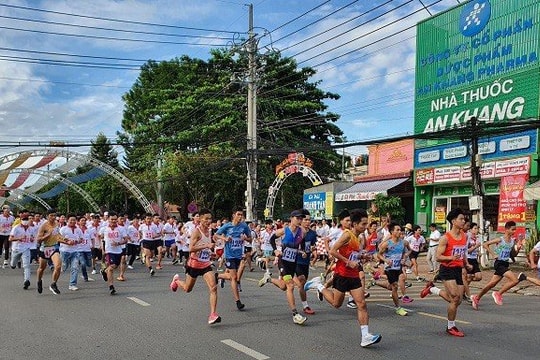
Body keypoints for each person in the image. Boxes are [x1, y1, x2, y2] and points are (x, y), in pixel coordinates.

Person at [304, 209, 382, 347]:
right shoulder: (347, 235)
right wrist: (347, 262)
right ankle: (318, 285)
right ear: (355, 224)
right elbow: (333, 250)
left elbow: (353, 253)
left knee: (362, 304)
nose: (366, 227)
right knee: (336, 304)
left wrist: (363, 256)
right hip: (342, 274)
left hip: (353, 275)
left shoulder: (359, 237)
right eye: (363, 224)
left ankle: (365, 336)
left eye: (366, 224)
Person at [420, 208, 471, 337]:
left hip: (458, 270)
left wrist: (466, 264)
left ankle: (432, 290)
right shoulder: (445, 238)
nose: (463, 221)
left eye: (463, 219)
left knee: (457, 300)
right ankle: (451, 326)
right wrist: (450, 258)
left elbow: (463, 253)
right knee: (454, 298)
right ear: (453, 221)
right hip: (447, 269)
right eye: (461, 219)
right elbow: (438, 257)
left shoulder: (464, 236)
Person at [169, 208, 221, 325]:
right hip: (194, 264)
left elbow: (205, 248)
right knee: (188, 289)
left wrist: (210, 253)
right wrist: (206, 245)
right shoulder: (196, 232)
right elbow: (191, 248)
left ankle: (212, 314)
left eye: (210, 218)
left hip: (206, 264)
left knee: (213, 287)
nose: (209, 221)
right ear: (200, 219)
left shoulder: (210, 231)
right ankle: (177, 281)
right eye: (206, 219)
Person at [258, 209, 308, 325]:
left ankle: (268, 279)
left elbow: (302, 242)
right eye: (297, 218)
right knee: (290, 285)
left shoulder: (302, 232)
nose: (300, 220)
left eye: (301, 218)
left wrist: (302, 251)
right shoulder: (284, 231)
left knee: (283, 287)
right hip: (283, 262)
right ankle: (295, 314)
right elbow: (272, 239)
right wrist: (275, 250)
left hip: (293, 263)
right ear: (291, 218)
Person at [471, 221, 522, 309]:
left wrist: (517, 249)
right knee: (515, 280)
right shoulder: (500, 239)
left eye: (515, 229)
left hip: (505, 264)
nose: (514, 231)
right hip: (499, 263)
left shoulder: (512, 241)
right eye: (512, 229)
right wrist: (493, 254)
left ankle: (477, 297)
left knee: (491, 284)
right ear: (506, 229)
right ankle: (498, 293)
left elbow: (512, 255)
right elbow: (485, 244)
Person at [372, 222, 412, 316]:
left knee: (397, 282)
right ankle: (398, 308)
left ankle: (375, 282)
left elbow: (409, 250)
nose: (400, 232)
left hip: (399, 267)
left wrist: (405, 256)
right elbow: (379, 254)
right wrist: (386, 260)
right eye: (397, 230)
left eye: (400, 230)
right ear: (392, 232)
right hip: (390, 268)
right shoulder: (387, 244)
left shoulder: (404, 242)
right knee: (394, 286)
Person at [215, 207, 251, 310]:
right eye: (238, 214)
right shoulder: (227, 226)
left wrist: (246, 238)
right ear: (233, 215)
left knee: (232, 276)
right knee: (234, 277)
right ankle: (238, 301)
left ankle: (218, 276)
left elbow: (250, 238)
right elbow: (216, 235)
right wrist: (225, 238)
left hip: (239, 255)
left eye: (241, 215)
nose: (240, 217)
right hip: (229, 255)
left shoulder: (244, 226)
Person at [99, 211, 129, 295]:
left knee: (115, 266)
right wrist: (102, 247)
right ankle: (111, 287)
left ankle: (104, 271)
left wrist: (118, 243)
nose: (113, 221)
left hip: (118, 251)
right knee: (111, 268)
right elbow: (100, 237)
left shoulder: (121, 228)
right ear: (108, 219)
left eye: (115, 219)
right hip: (109, 251)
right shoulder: (104, 229)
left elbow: (126, 239)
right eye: (112, 219)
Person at [36, 209, 64, 295]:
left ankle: (53, 284)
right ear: (47, 216)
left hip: (54, 247)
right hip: (44, 248)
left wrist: (64, 239)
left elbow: (57, 234)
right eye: (51, 215)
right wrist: (47, 235)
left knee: (58, 266)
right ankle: (39, 281)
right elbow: (38, 240)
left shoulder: (56, 224)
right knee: (42, 268)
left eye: (54, 215)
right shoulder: (43, 226)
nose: (53, 217)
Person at [9, 215, 37, 289]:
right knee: (13, 263)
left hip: (26, 248)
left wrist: (32, 239)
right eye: (24, 219)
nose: (25, 221)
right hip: (16, 248)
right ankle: (13, 264)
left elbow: (33, 237)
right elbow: (10, 239)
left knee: (26, 265)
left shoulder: (31, 229)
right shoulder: (16, 228)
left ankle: (26, 281)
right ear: (20, 220)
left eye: (26, 219)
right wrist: (19, 238)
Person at [463, 222, 482, 302]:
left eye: (477, 228)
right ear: (470, 229)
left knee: (478, 277)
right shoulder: (467, 237)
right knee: (468, 277)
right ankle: (466, 293)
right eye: (475, 228)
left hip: (474, 259)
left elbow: (476, 249)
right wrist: (475, 247)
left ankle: (463, 288)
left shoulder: (478, 238)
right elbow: (467, 251)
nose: (476, 230)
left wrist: (478, 252)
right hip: (468, 258)